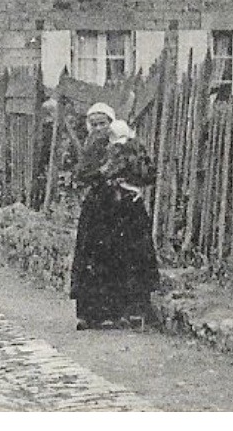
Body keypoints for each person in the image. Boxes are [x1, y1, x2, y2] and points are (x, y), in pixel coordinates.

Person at [72, 110, 160, 329]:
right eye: (94, 124)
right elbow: (81, 175)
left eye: (103, 123)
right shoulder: (91, 148)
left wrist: (132, 185)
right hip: (98, 210)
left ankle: (128, 311)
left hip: (125, 210)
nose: (99, 128)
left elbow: (147, 173)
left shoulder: (130, 144)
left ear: (112, 124)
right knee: (94, 258)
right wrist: (101, 173)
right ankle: (92, 314)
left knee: (128, 257)